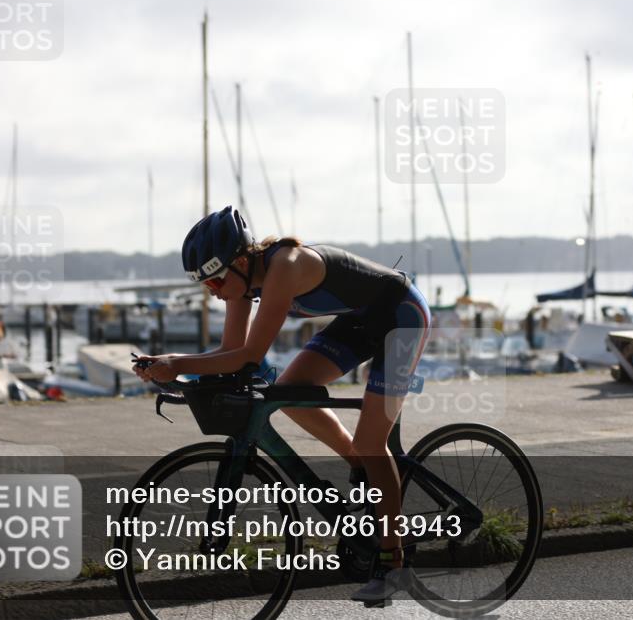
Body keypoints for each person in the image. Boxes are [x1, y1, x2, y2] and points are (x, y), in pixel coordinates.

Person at [134, 205, 430, 602]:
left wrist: (179, 364)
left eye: (216, 281)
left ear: (239, 262)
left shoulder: (285, 267)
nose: (214, 292)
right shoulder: (240, 283)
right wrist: (171, 368)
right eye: (206, 286)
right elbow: (231, 350)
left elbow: (250, 355)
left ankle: (394, 564)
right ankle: (359, 464)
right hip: (360, 321)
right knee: (292, 391)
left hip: (402, 317)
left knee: (374, 442)